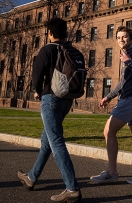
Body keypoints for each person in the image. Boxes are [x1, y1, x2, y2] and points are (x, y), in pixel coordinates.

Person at [17, 18, 82, 202]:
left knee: (56, 142)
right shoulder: (75, 51)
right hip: (67, 100)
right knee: (47, 140)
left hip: (50, 98)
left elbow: (37, 76)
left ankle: (72, 188)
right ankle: (31, 178)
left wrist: (38, 91)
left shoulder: (47, 49)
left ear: (50, 33)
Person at [90, 25, 132, 186]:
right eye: (118, 37)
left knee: (108, 131)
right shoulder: (129, 54)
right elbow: (123, 82)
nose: (121, 40)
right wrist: (109, 97)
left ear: (131, 39)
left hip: (131, 99)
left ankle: (111, 172)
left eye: (124, 37)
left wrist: (129, 61)